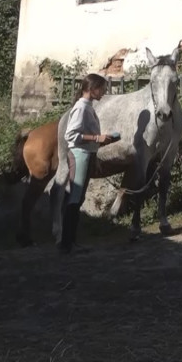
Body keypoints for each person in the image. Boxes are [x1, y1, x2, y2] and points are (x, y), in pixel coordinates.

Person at [60, 73, 118, 254]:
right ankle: (67, 244)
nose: (104, 92)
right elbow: (70, 135)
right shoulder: (81, 108)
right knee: (75, 198)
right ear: (92, 89)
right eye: (102, 89)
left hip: (87, 153)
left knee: (78, 197)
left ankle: (70, 242)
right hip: (80, 155)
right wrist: (96, 137)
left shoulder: (87, 107)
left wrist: (101, 140)